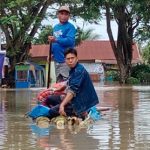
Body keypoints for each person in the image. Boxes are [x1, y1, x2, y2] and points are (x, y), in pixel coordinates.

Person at [45, 48, 99, 119]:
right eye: (68, 59)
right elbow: (70, 82)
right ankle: (64, 108)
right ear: (65, 60)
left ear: (77, 59)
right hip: (74, 99)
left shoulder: (79, 70)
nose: (70, 60)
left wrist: (62, 105)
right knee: (49, 99)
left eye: (72, 58)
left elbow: (72, 91)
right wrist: (61, 88)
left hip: (81, 103)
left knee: (51, 111)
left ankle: (80, 114)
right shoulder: (73, 69)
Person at [48, 6, 76, 82]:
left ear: (69, 16)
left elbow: (70, 41)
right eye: (62, 13)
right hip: (57, 60)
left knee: (67, 83)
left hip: (66, 60)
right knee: (59, 83)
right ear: (58, 15)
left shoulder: (70, 27)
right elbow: (54, 43)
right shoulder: (55, 27)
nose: (63, 16)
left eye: (66, 14)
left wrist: (56, 39)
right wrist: (51, 53)